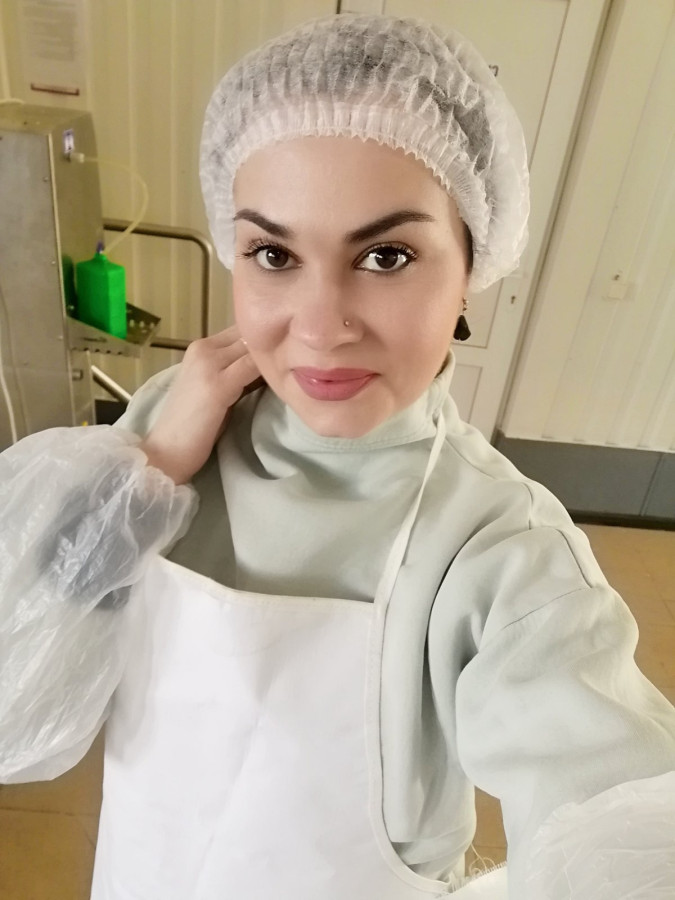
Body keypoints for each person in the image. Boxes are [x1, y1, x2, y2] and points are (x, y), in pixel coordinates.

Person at [1, 13, 674, 900]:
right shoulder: (171, 426)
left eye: (385, 256)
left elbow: (627, 830)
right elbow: (16, 699)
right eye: (272, 253)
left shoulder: (497, 548)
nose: (320, 328)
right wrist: (149, 470)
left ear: (471, 270)